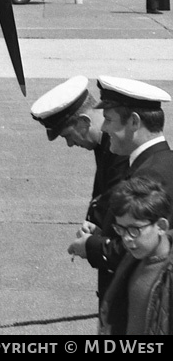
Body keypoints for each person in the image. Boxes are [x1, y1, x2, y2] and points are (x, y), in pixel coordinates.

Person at [35, 76, 131, 300]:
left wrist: (93, 242)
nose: (70, 144)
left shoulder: (119, 149)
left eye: (68, 135)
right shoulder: (105, 145)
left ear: (84, 122)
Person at [73, 77, 173, 288]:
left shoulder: (149, 175)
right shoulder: (157, 162)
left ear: (135, 122)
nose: (105, 128)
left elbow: (140, 248)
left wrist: (91, 246)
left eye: (109, 120)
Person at [98, 176, 173, 335]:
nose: (126, 238)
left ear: (161, 226)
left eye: (134, 230)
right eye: (121, 229)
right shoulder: (133, 260)